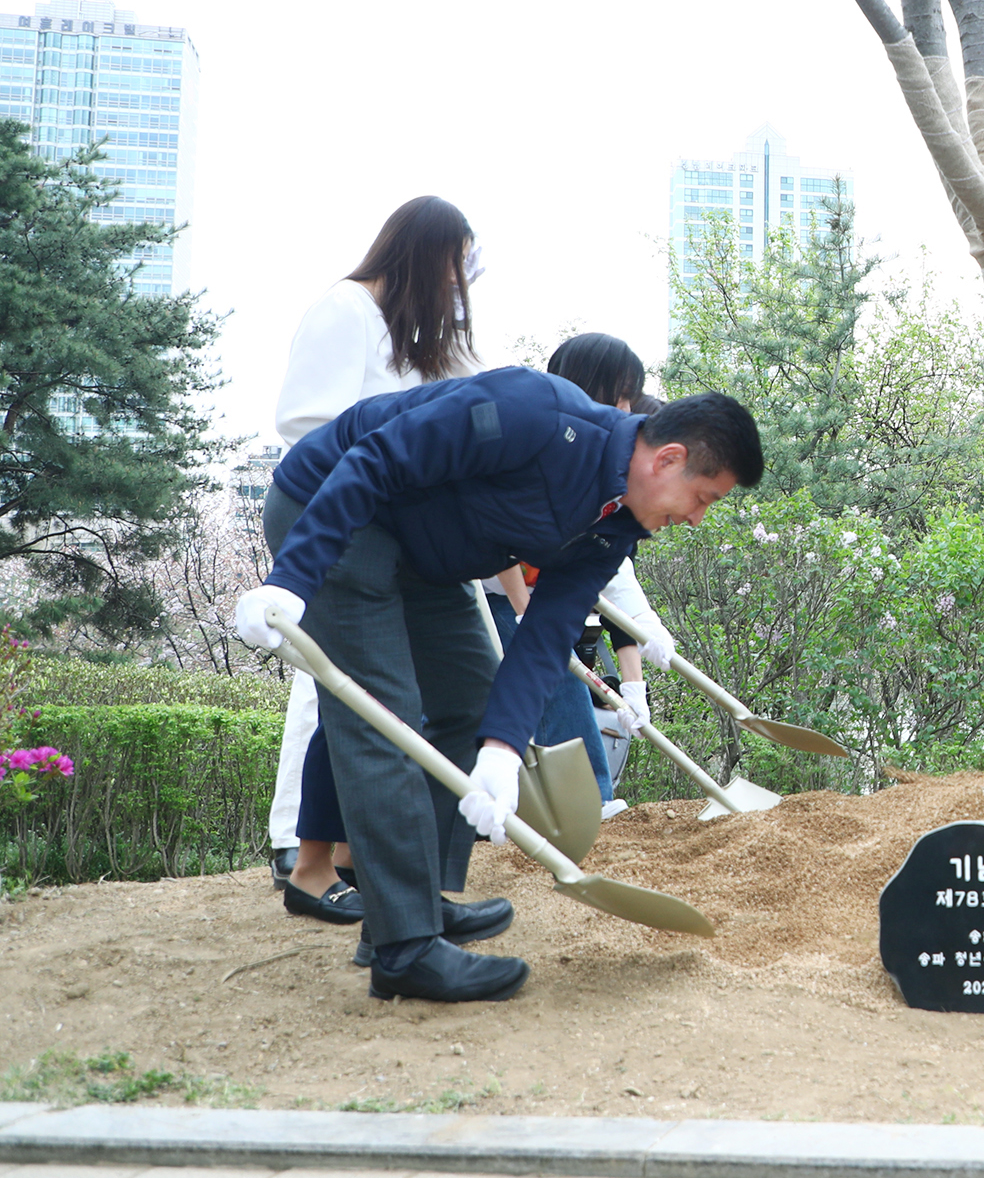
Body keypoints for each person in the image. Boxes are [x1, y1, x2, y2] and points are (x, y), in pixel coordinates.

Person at [235, 372, 762, 1002]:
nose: (699, 518)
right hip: (340, 510)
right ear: (668, 459)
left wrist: (504, 750)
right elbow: (377, 457)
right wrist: (292, 576)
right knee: (388, 720)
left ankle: (409, 905)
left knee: (475, 703)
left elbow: (544, 639)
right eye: (703, 497)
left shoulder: (615, 526)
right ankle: (404, 949)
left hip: (428, 556)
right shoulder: (531, 414)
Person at [266, 197, 484, 926]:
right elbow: (308, 426)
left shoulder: (406, 336)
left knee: (390, 707)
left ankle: (367, 864)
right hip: (336, 526)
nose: (459, 284)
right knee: (356, 706)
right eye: (455, 265)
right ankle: (310, 865)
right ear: (424, 252)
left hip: (393, 540)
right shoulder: (345, 310)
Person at [540, 339, 683, 814]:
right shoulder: (553, 444)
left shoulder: (611, 480)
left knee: (563, 688)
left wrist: (638, 670)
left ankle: (592, 799)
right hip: (490, 589)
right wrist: (525, 610)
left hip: (551, 607)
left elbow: (615, 576)